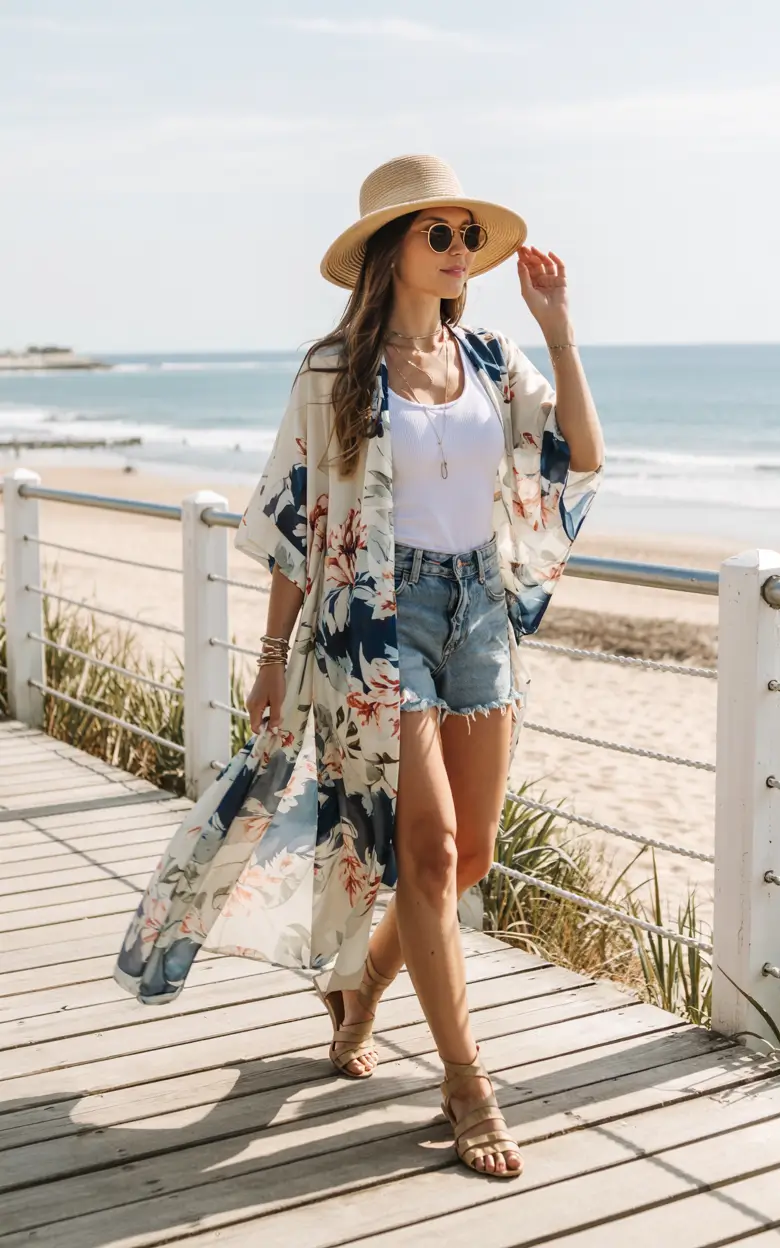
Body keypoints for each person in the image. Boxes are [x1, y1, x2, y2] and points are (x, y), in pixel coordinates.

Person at [113, 154, 604, 1180]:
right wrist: (269, 652)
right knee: (423, 854)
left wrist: (557, 326)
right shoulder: (332, 371)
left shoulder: (494, 356)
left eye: (469, 233)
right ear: (395, 248)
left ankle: (362, 987)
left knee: (465, 862)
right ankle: (467, 1085)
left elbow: (578, 460)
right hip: (374, 621)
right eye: (442, 233)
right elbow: (298, 521)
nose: (461, 248)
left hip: (475, 614)